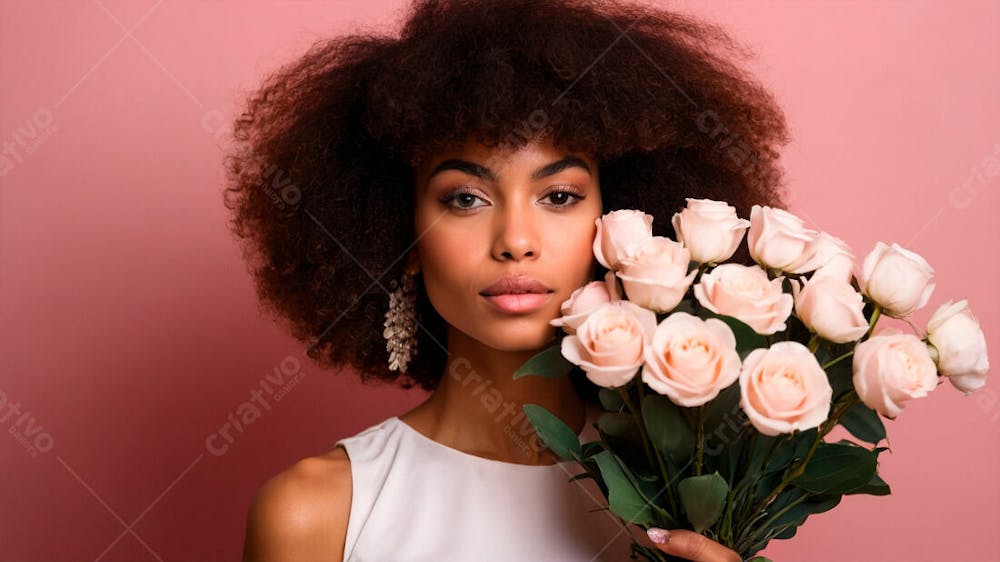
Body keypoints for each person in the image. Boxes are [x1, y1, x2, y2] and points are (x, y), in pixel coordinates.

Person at [223, 0, 790, 560]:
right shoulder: (315, 516)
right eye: (465, 199)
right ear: (403, 232)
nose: (516, 240)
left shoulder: (697, 496)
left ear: (620, 221)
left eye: (559, 196)